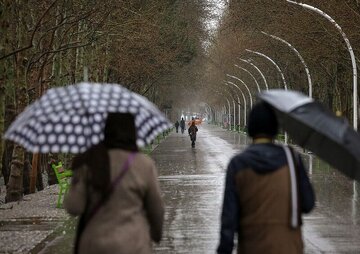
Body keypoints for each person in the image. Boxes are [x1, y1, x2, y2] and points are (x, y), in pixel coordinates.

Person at [217, 102, 315, 254]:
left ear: (250, 128)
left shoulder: (237, 165)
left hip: (251, 247)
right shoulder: (292, 159)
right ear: (275, 128)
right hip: (289, 248)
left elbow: (229, 220)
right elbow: (308, 203)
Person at [64, 113, 164, 254]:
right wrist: (156, 234)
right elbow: (156, 208)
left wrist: (77, 179)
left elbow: (74, 207)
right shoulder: (143, 164)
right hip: (133, 243)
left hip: (94, 244)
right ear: (133, 133)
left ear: (106, 131)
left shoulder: (91, 162)